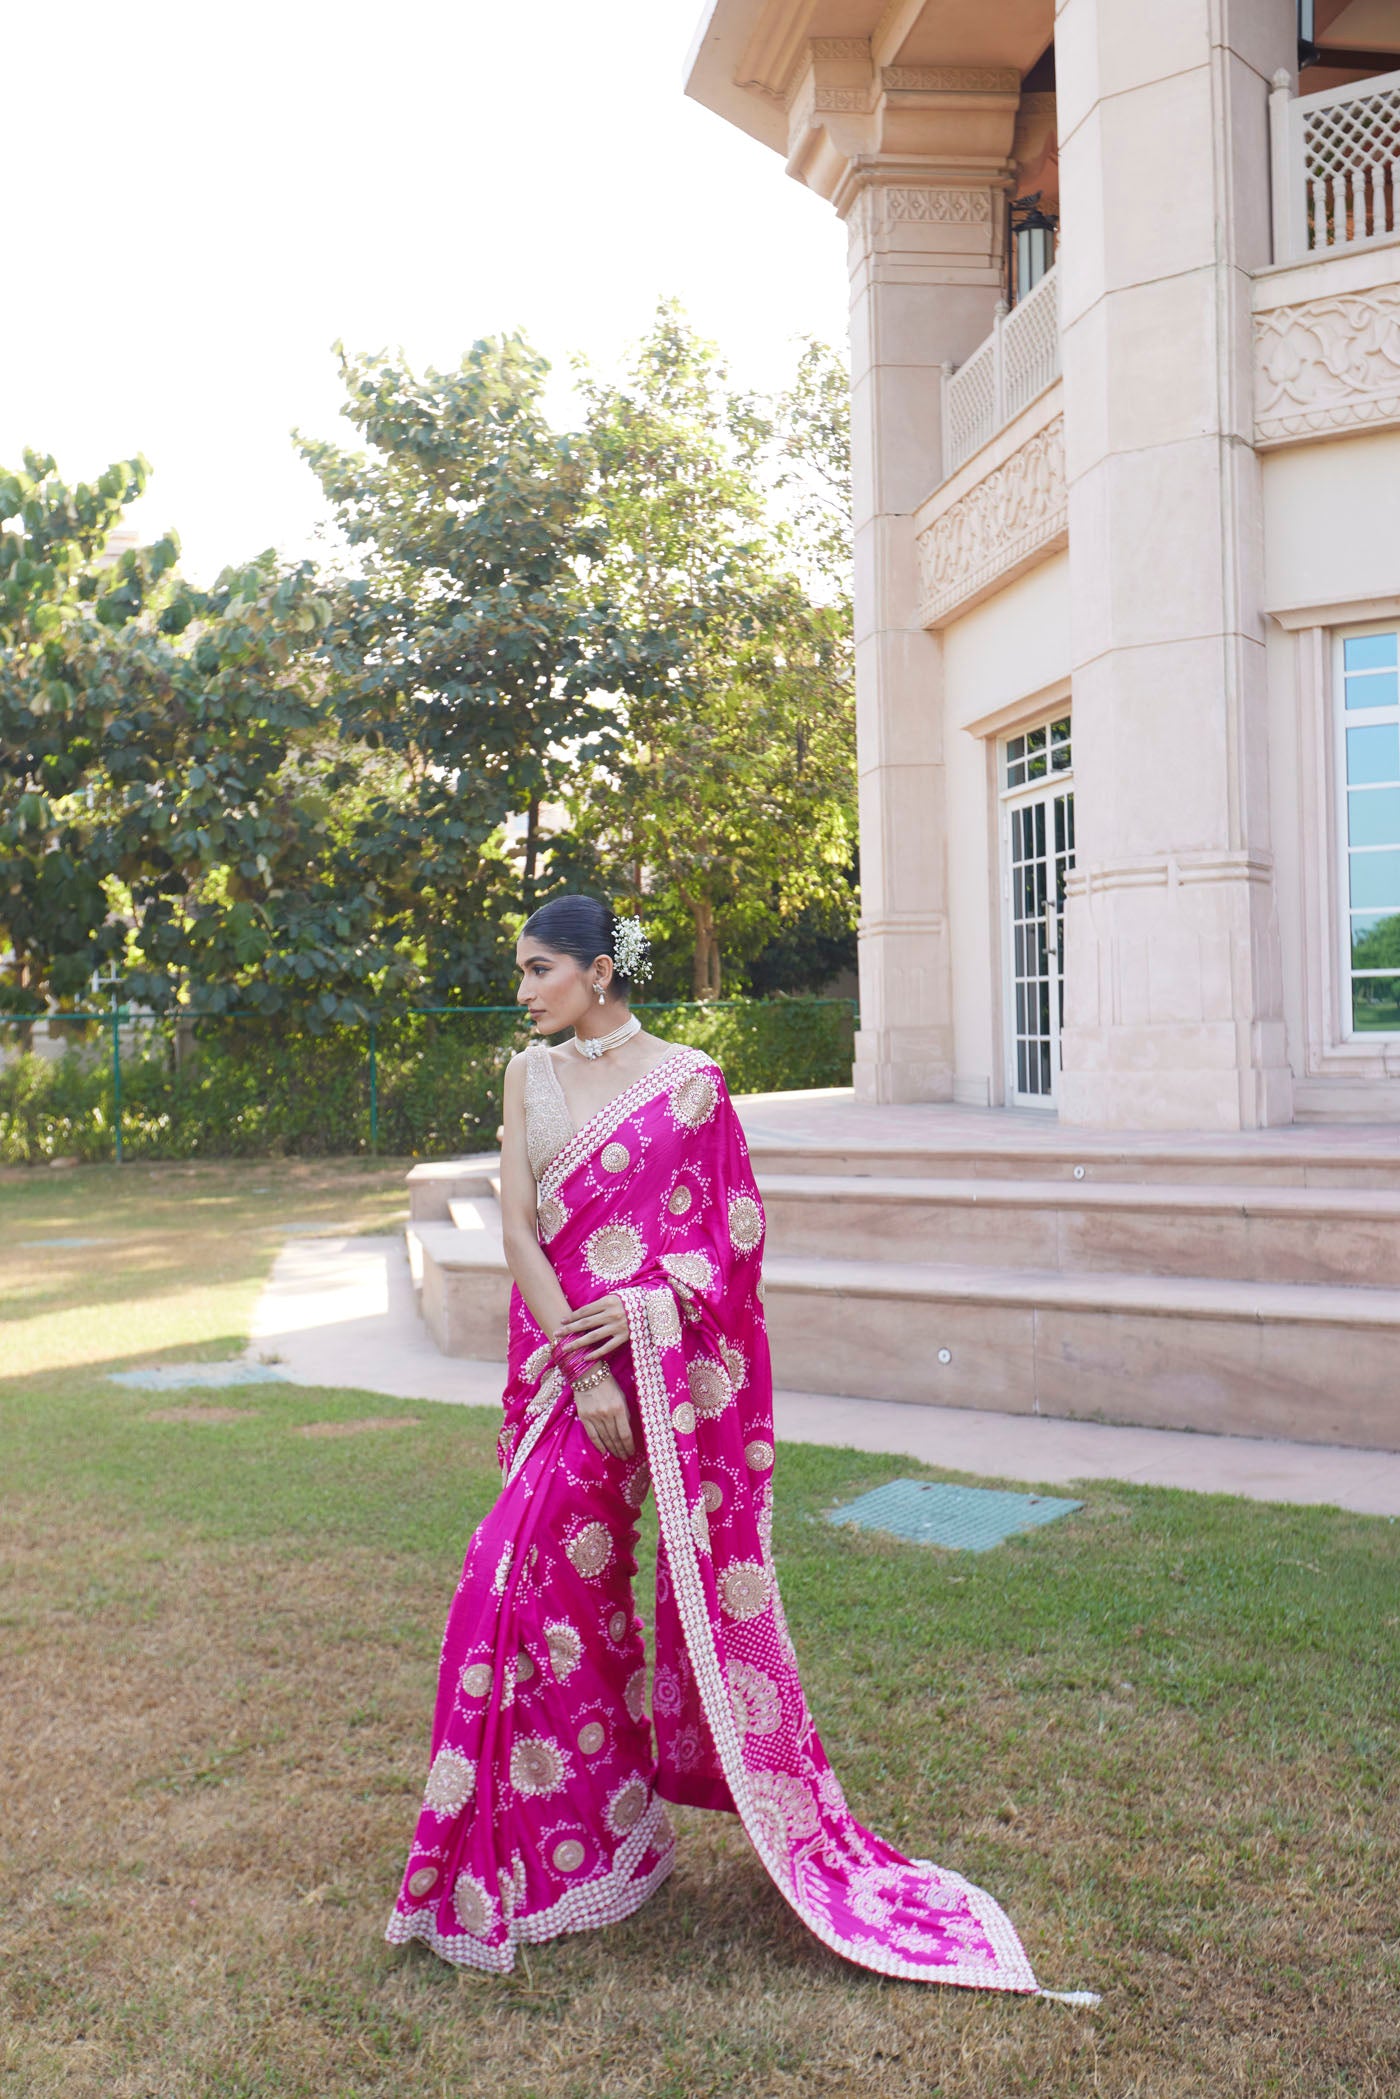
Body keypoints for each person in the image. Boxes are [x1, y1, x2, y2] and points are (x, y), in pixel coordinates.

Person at [385, 894, 1047, 1995]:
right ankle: (589, 1841)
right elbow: (517, 1230)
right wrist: (582, 1364)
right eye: (519, 970)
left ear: (599, 970)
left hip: (665, 1378)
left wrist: (641, 1319)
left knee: (544, 1587)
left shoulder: (690, 1082)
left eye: (539, 968)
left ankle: (586, 1842)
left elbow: (724, 1243)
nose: (523, 990)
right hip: (571, 1378)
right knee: (518, 1588)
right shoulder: (527, 1076)